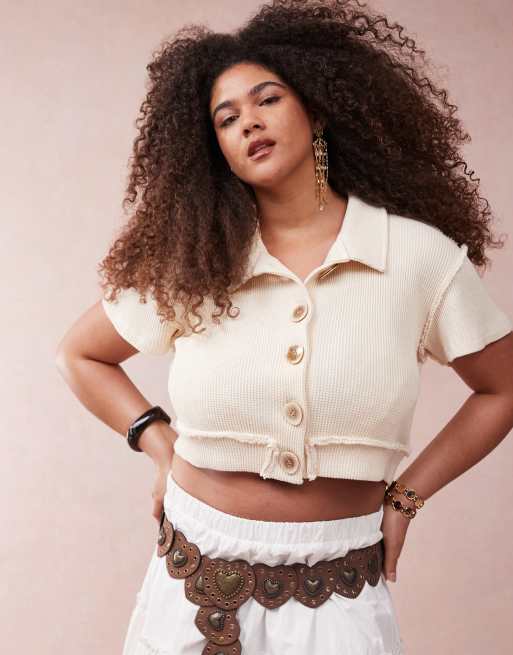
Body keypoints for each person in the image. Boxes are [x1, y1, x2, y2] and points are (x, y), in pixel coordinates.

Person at [55, 1, 513, 653]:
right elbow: (80, 354)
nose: (249, 122)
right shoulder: (198, 257)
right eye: (226, 119)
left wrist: (407, 497)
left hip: (341, 584)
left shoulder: (415, 257)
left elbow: (502, 386)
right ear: (215, 149)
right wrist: (158, 444)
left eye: (267, 99)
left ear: (317, 110)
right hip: (193, 577)